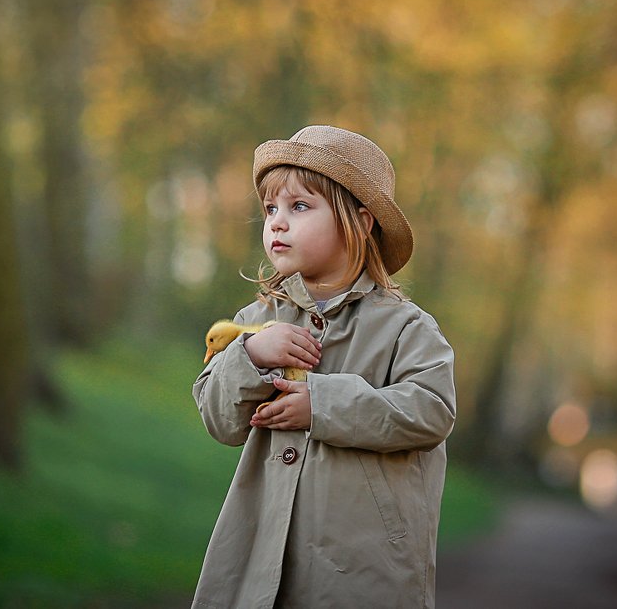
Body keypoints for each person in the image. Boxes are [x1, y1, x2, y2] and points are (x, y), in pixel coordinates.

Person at [191, 125, 457, 609]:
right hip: (263, 554)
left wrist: (322, 404)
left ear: (360, 222)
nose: (277, 223)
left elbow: (432, 410)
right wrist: (251, 356)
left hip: (362, 566)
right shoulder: (256, 322)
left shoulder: (405, 327)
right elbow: (218, 419)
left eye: (299, 206)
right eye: (270, 209)